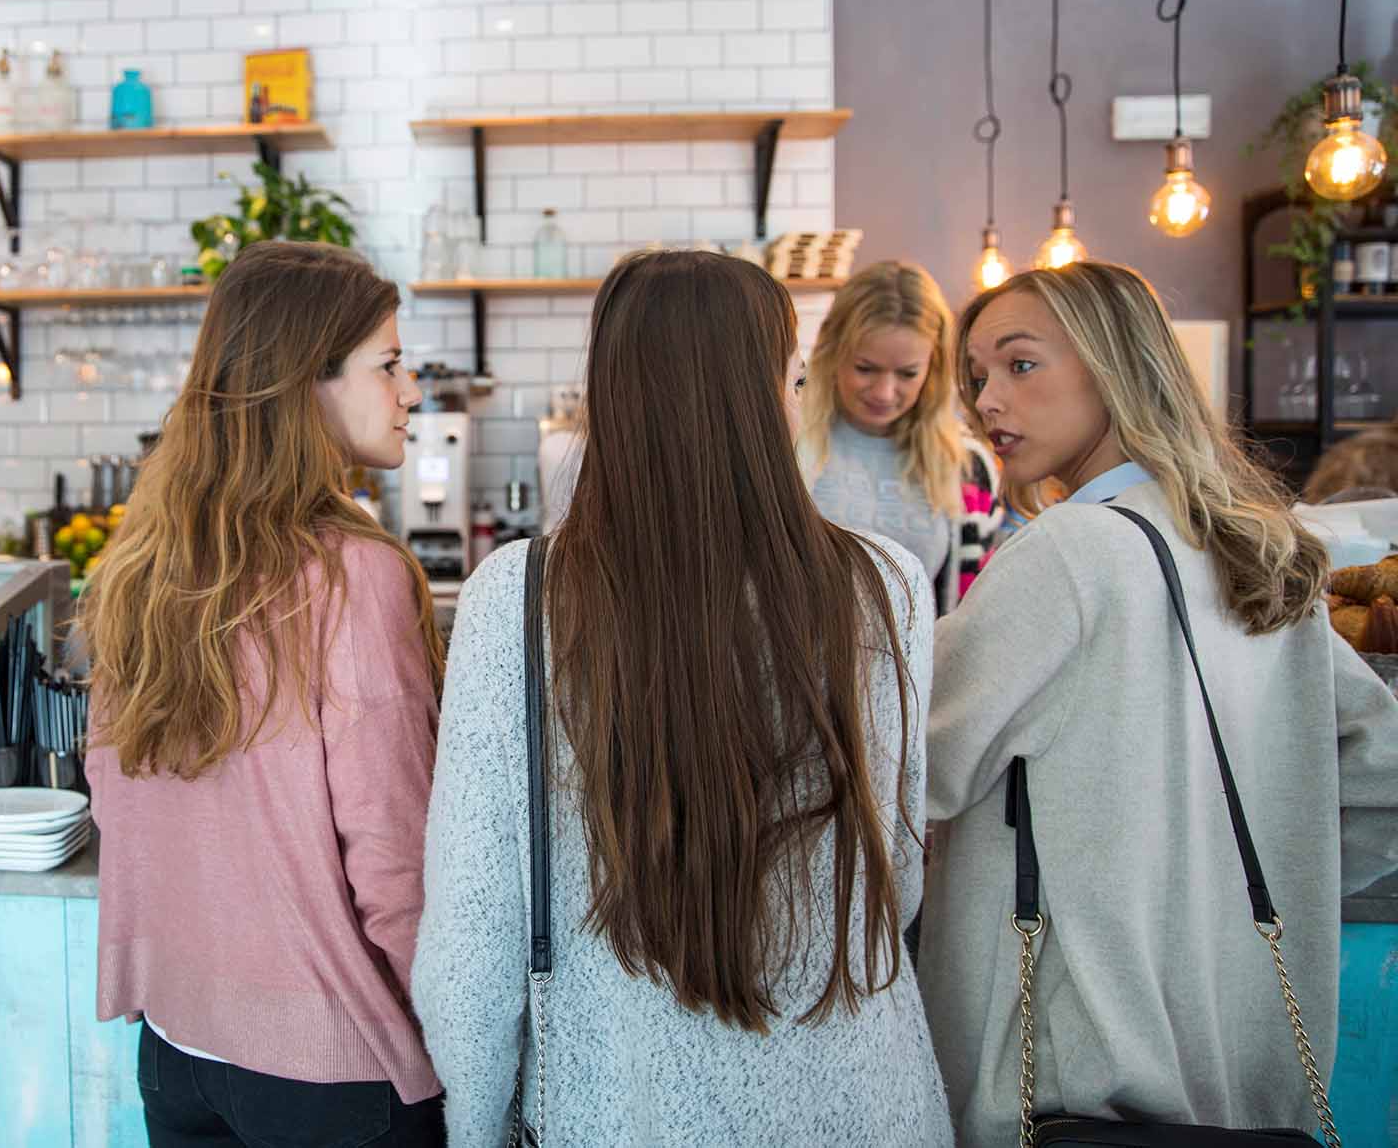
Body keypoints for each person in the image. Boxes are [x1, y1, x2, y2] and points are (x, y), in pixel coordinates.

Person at [414, 249, 951, 1146]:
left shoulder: (521, 594)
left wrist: (473, 1123)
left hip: (620, 1102)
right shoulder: (886, 583)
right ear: (765, 395)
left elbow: (474, 932)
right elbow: (895, 868)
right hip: (857, 1098)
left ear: (611, 396)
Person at [920, 261, 1398, 1146]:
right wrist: (1212, 898)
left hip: (1068, 1077)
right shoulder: (1257, 552)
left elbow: (913, 763)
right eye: (978, 375)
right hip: (1243, 1076)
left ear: (1115, 366)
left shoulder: (1066, 555)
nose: (988, 400)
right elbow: (1382, 779)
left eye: (1021, 365)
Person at [83, 241, 449, 1147]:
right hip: (332, 1071)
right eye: (390, 365)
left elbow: (115, 800)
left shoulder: (142, 564)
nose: (411, 393)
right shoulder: (358, 576)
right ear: (305, 382)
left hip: (175, 1048)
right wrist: (465, 1047)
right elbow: (396, 860)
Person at [801, 261, 1004, 615]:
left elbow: (973, 609)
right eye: (865, 368)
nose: (884, 392)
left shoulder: (969, 468)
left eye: (907, 373)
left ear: (933, 367)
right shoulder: (785, 447)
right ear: (833, 351)